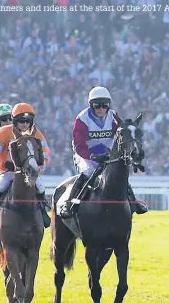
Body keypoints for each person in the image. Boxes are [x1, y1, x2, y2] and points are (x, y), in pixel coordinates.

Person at [59, 86, 148, 218]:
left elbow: (122, 135)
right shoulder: (82, 119)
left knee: (118, 172)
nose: (101, 109)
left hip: (107, 154)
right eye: (97, 105)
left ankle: (133, 201)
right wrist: (93, 156)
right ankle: (69, 204)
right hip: (86, 155)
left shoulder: (113, 116)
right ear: (91, 105)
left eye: (104, 105)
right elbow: (79, 144)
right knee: (88, 173)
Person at [0, 103, 51, 232]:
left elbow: (46, 156)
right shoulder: (3, 132)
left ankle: (43, 212)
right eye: (21, 121)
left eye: (27, 121)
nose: (24, 124)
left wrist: (37, 168)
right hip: (6, 172)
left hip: (28, 173)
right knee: (1, 185)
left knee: (40, 185)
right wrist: (5, 164)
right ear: (15, 121)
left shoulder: (36, 134)